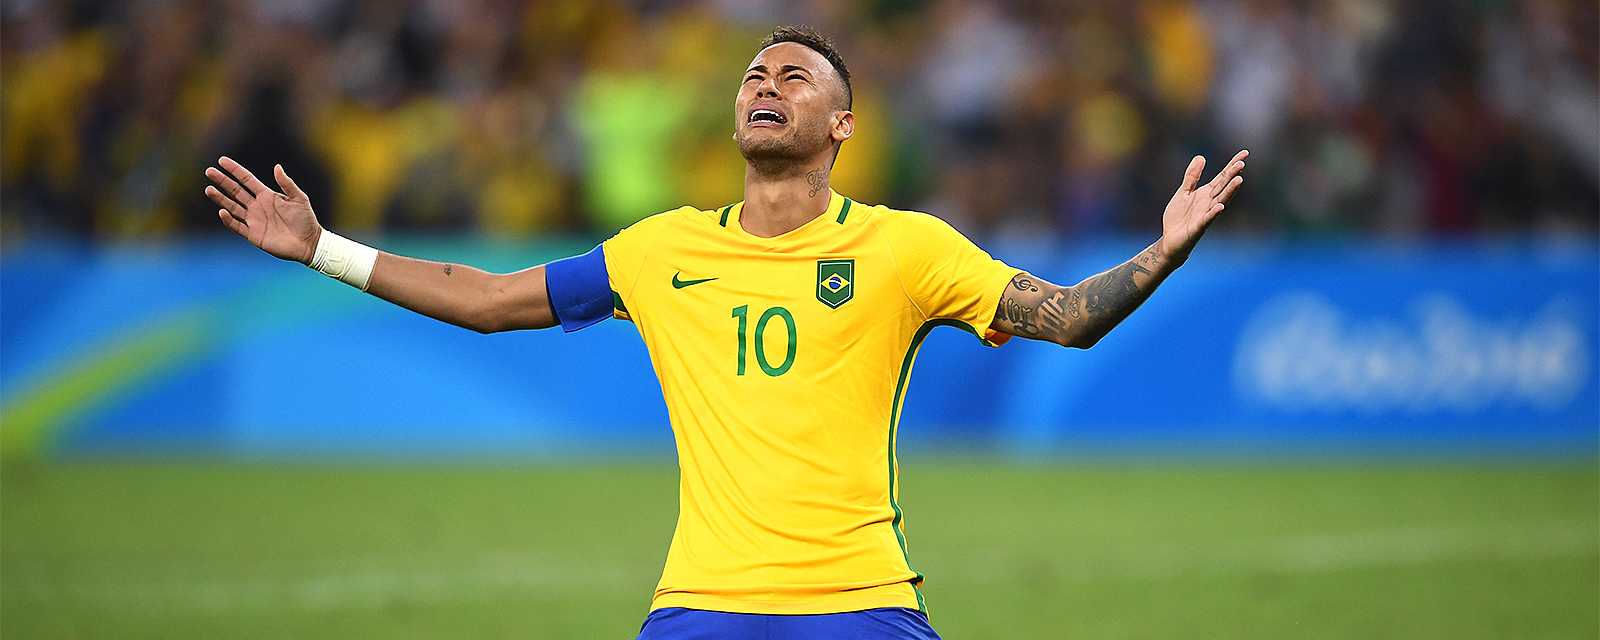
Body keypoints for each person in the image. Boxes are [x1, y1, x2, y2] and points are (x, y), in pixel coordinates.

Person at [204, 25, 1245, 640]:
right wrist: (321, 249)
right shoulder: (660, 251)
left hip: (863, 602)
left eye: (794, 77)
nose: (763, 85)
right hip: (702, 604)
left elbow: (1062, 318)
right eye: (753, 74)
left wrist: (1158, 255)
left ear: (842, 125)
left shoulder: (905, 248)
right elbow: (484, 299)